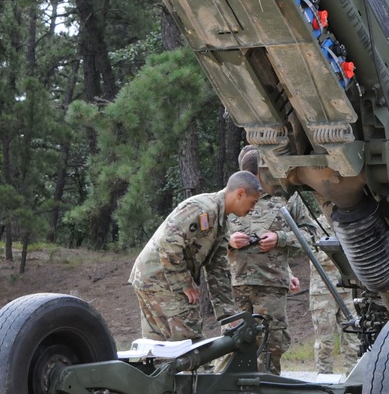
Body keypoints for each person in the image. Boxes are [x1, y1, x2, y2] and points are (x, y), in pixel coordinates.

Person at [129, 171, 263, 343]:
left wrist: (228, 314)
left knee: (159, 348)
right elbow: (168, 242)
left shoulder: (221, 222)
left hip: (154, 277)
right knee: (190, 344)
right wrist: (184, 283)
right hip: (160, 278)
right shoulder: (203, 208)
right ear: (240, 194)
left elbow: (218, 269)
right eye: (252, 203)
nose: (252, 210)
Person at [227, 145, 318, 375]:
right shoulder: (230, 197)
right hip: (234, 288)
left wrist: (281, 238)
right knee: (231, 346)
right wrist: (229, 241)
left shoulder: (288, 198)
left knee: (270, 345)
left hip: (271, 289)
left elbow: (312, 235)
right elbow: (205, 241)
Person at [308, 221, 361, 375]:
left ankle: (353, 379)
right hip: (323, 293)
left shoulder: (346, 223)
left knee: (352, 340)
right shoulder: (314, 226)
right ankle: (325, 381)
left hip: (347, 289)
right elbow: (315, 256)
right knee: (325, 342)